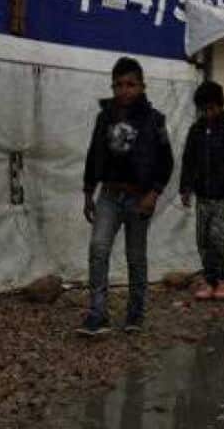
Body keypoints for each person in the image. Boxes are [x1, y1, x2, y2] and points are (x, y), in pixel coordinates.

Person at [78, 57, 174, 336]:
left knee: (136, 257)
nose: (124, 90)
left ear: (142, 86)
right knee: (98, 249)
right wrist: (87, 191)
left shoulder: (154, 120)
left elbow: (166, 161)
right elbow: (94, 154)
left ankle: (135, 313)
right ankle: (97, 314)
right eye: (118, 84)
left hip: (139, 198)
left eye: (130, 84)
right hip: (109, 194)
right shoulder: (104, 117)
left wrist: (154, 193)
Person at [181, 81, 224, 300]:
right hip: (203, 196)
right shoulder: (196, 130)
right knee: (203, 240)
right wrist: (185, 187)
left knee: (220, 237)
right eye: (204, 109)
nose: (208, 113)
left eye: (211, 108)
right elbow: (188, 160)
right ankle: (210, 280)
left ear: (220, 105)